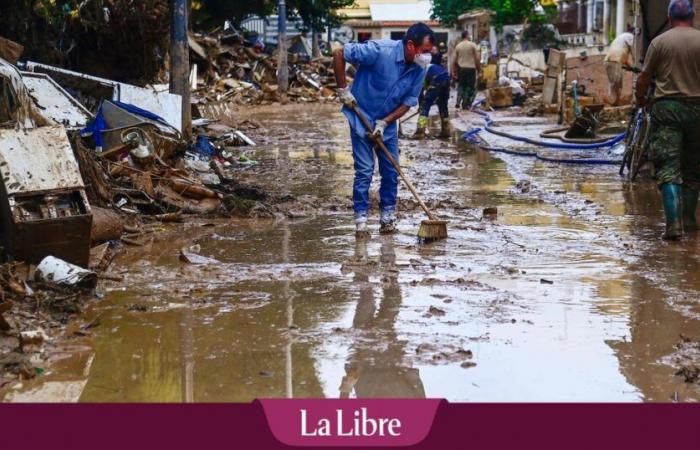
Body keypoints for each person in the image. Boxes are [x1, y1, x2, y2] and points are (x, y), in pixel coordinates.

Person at [333, 23, 434, 236]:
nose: (426, 57)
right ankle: (361, 220)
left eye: (428, 53)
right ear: (410, 45)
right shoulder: (379, 50)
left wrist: (385, 122)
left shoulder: (418, 69)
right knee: (364, 171)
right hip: (360, 118)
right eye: (423, 51)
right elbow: (339, 52)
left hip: (386, 126)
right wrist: (343, 90)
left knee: (390, 172)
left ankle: (387, 218)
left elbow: (408, 102)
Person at [635, 0, 700, 240]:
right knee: (693, 167)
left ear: (669, 17)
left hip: (667, 109)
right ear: (692, 16)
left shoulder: (659, 42)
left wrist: (640, 98)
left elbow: (644, 77)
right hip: (698, 110)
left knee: (668, 166)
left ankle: (673, 226)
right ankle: (690, 221)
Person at [412, 46, 451, 139]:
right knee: (443, 105)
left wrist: (421, 106)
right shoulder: (430, 66)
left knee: (425, 106)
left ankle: (420, 131)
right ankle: (446, 130)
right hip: (446, 78)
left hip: (436, 79)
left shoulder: (421, 71)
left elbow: (420, 91)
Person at [452, 31, 481, 109]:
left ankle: (458, 101)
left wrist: (453, 71)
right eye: (469, 35)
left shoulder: (458, 46)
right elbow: (477, 59)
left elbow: (454, 60)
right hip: (471, 68)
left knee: (461, 85)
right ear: (467, 36)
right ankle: (466, 103)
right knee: (470, 86)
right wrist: (479, 69)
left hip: (461, 69)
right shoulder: (472, 45)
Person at [604, 31, 634, 105]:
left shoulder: (622, 39)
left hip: (609, 60)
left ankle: (615, 102)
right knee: (617, 84)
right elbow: (635, 54)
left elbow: (624, 58)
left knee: (614, 83)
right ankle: (615, 102)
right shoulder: (631, 37)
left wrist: (631, 68)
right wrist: (636, 67)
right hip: (614, 60)